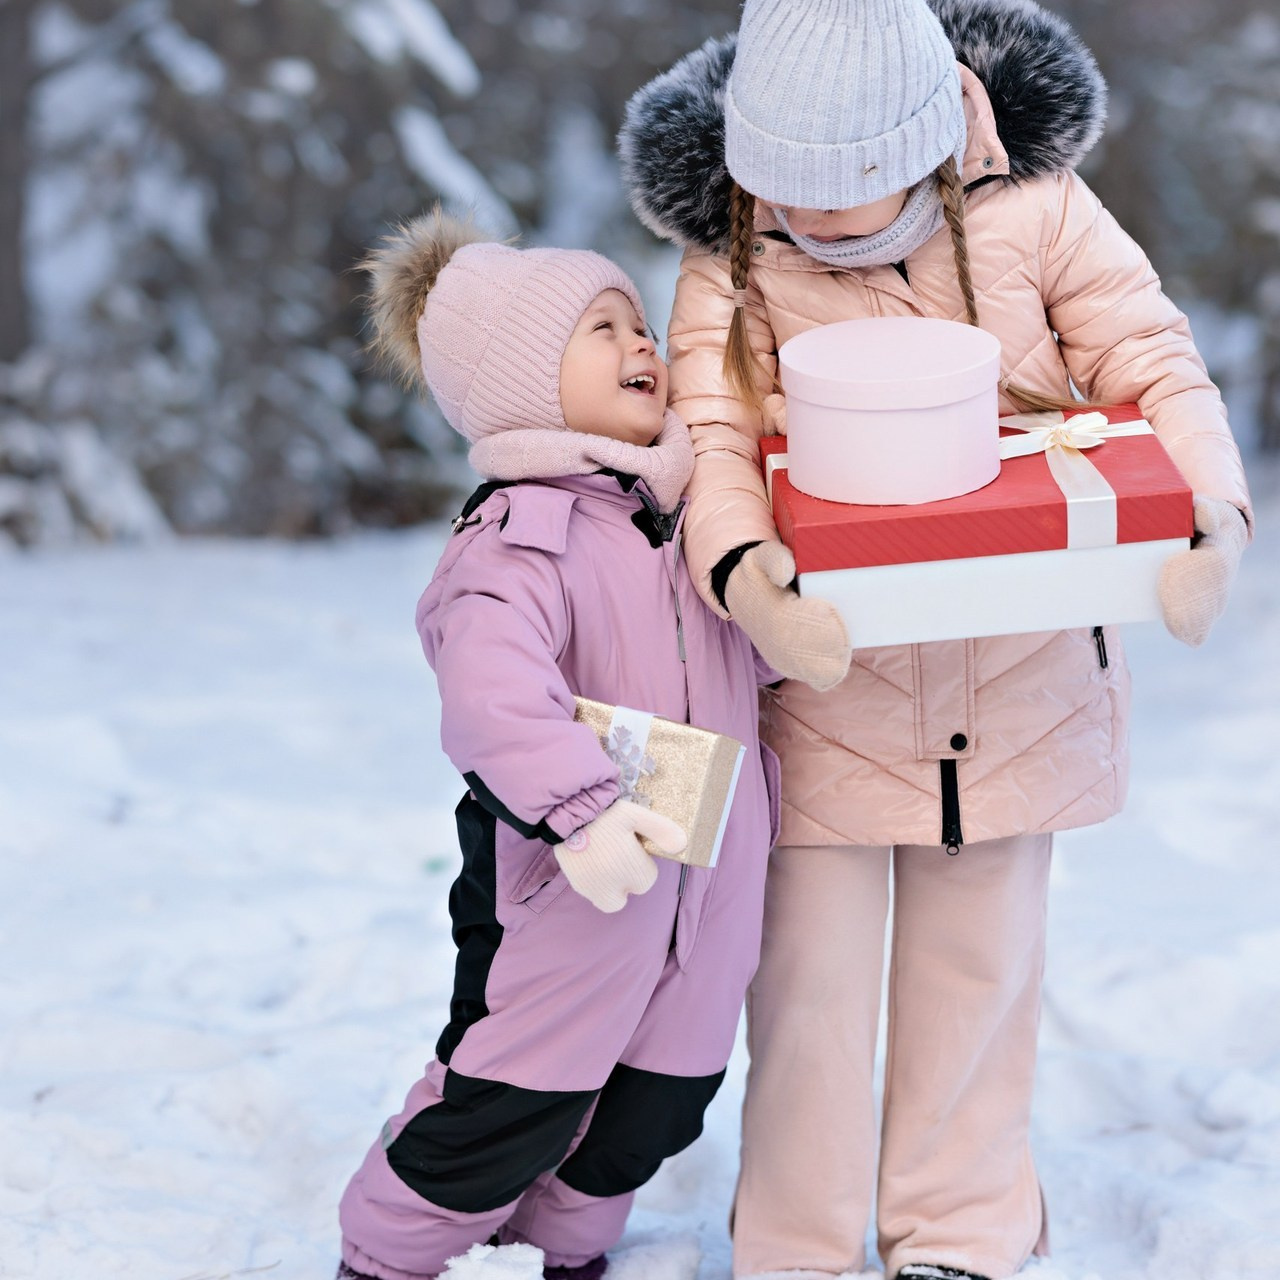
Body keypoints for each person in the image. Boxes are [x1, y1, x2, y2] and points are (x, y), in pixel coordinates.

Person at [617, 1, 1253, 1278]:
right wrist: (745, 576)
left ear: (920, 140)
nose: (811, 218)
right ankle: (793, 1242)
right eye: (784, 188)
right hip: (823, 688)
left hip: (1015, 677)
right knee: (805, 985)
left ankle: (958, 1229)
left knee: (978, 968)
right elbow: (714, 433)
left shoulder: (1042, 212)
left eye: (842, 189)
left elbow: (1147, 358)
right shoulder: (731, 255)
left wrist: (1207, 515)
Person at [334, 211, 780, 1280]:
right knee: (514, 1096)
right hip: (565, 880)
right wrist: (580, 809)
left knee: (660, 1100)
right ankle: (385, 1253)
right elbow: (491, 692)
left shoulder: (685, 521)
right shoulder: (518, 535)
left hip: (705, 888)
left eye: (640, 323)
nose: (641, 344)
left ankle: (564, 1246)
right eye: (601, 328)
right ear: (523, 383)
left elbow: (743, 665)